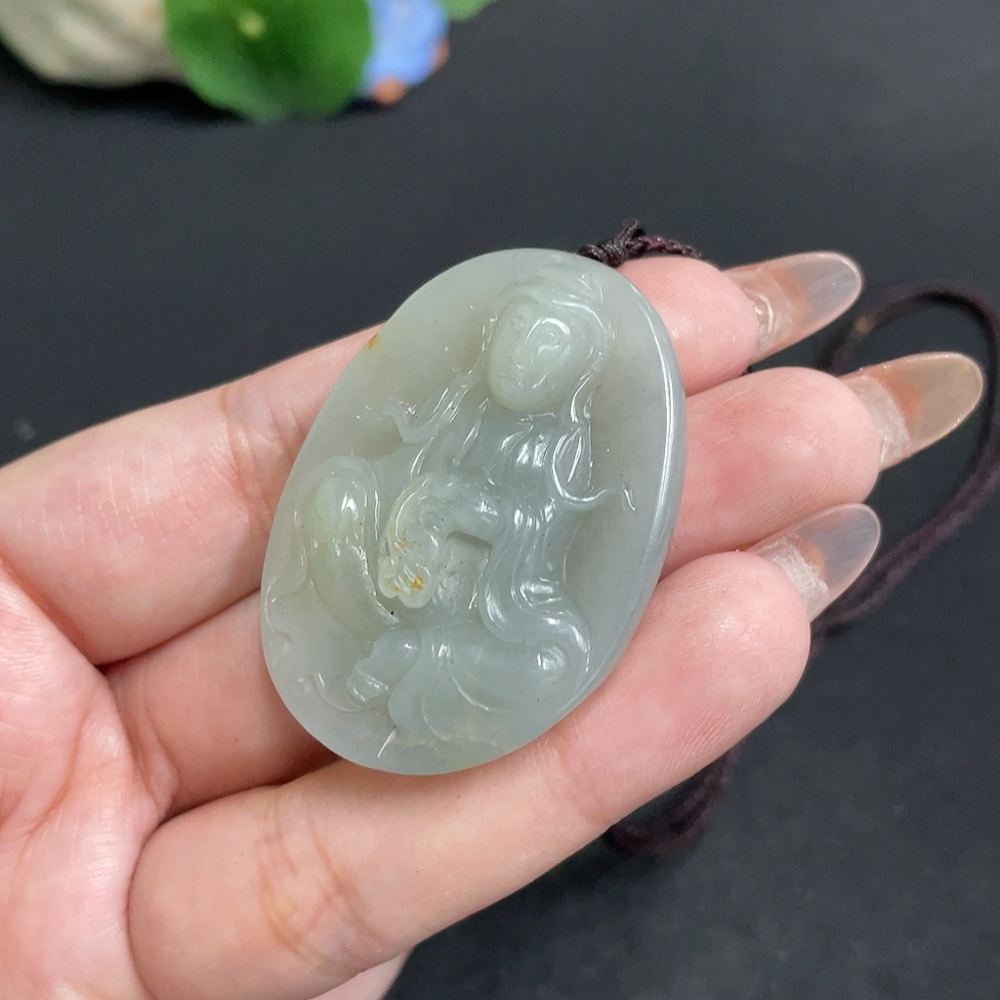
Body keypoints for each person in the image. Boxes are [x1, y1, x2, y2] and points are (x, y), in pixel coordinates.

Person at [0, 251, 982, 1000]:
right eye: (514, 343)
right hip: (395, 580)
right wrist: (403, 528)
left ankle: (409, 660)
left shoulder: (564, 450)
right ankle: (393, 649)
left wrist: (475, 529)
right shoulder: (451, 412)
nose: (520, 361)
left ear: (567, 369)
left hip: (489, 610)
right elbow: (389, 480)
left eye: (544, 352)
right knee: (336, 493)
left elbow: (542, 551)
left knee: (555, 653)